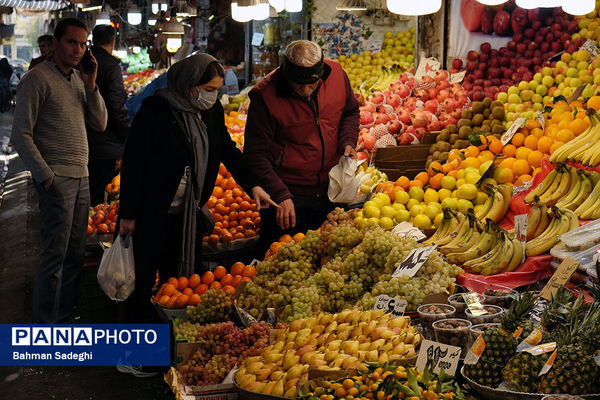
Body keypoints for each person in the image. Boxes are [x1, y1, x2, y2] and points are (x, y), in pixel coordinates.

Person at [117, 53, 275, 325]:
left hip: (188, 214)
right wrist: (129, 213)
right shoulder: (156, 110)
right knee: (142, 280)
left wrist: (254, 186)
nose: (213, 96)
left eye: (216, 90)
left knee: (178, 282)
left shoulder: (210, 112)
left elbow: (228, 151)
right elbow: (134, 162)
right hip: (152, 211)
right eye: (209, 90)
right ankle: (135, 351)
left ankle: (168, 343)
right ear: (190, 84)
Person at [11, 18, 108, 323]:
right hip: (57, 179)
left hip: (81, 178)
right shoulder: (36, 80)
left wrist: (92, 86)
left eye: (83, 44)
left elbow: (100, 123)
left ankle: (64, 318)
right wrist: (46, 175)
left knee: (75, 255)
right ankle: (44, 325)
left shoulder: (78, 80)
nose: (78, 49)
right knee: (55, 255)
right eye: (71, 42)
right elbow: (20, 135)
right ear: (55, 43)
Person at [244, 40, 360, 252]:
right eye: (298, 85)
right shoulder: (265, 96)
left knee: (330, 258)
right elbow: (254, 154)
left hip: (331, 190)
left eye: (312, 84)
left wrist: (348, 141)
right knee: (281, 260)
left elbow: (350, 112)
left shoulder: (336, 73)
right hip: (287, 196)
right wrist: (280, 194)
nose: (306, 91)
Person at [87, 25, 131, 205]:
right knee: (102, 197)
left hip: (87, 143)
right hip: (107, 144)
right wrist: (128, 134)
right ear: (113, 41)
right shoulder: (111, 66)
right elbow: (116, 106)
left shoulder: (85, 61)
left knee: (90, 193)